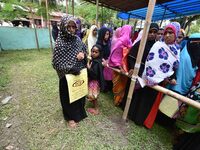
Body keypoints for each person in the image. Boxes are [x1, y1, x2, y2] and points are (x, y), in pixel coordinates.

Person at [52, 15, 87, 128]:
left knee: (79, 94)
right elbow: (56, 63)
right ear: (63, 27)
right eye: (69, 27)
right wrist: (70, 69)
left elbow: (84, 49)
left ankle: (80, 113)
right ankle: (70, 117)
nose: (72, 29)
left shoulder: (77, 39)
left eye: (74, 27)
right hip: (67, 76)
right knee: (68, 97)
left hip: (79, 73)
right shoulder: (60, 43)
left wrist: (83, 54)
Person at [121, 23, 159, 125]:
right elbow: (131, 56)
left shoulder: (157, 47)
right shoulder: (141, 43)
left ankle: (134, 115)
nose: (152, 34)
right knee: (132, 93)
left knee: (140, 96)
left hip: (147, 75)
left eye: (154, 32)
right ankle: (127, 110)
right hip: (137, 72)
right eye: (150, 32)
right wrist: (133, 68)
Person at [108, 25, 132, 105]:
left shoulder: (128, 41)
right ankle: (117, 101)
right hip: (120, 68)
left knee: (122, 84)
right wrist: (120, 67)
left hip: (125, 67)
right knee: (118, 84)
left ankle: (119, 100)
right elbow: (115, 55)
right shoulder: (120, 42)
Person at [87, 44, 105, 115]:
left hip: (94, 82)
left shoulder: (97, 62)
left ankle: (96, 109)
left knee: (94, 95)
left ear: (100, 53)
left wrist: (89, 68)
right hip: (93, 81)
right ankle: (95, 106)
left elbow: (94, 74)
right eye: (92, 51)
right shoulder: (95, 60)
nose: (93, 53)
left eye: (96, 52)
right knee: (93, 95)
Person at [96, 27, 112, 92]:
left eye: (108, 34)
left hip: (106, 63)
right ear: (102, 34)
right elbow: (97, 55)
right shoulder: (98, 43)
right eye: (106, 34)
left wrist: (107, 60)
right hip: (99, 62)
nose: (107, 36)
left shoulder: (108, 43)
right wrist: (103, 61)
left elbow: (109, 53)